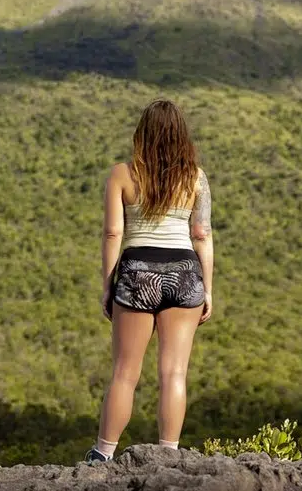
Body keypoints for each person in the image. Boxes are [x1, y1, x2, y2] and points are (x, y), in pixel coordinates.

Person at [86, 98, 213, 462]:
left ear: (141, 134)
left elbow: (113, 233)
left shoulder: (122, 174)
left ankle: (102, 454)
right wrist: (207, 288)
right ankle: (169, 455)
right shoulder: (196, 178)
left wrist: (109, 285)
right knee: (174, 373)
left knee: (125, 373)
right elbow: (202, 234)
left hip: (137, 273)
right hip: (186, 273)